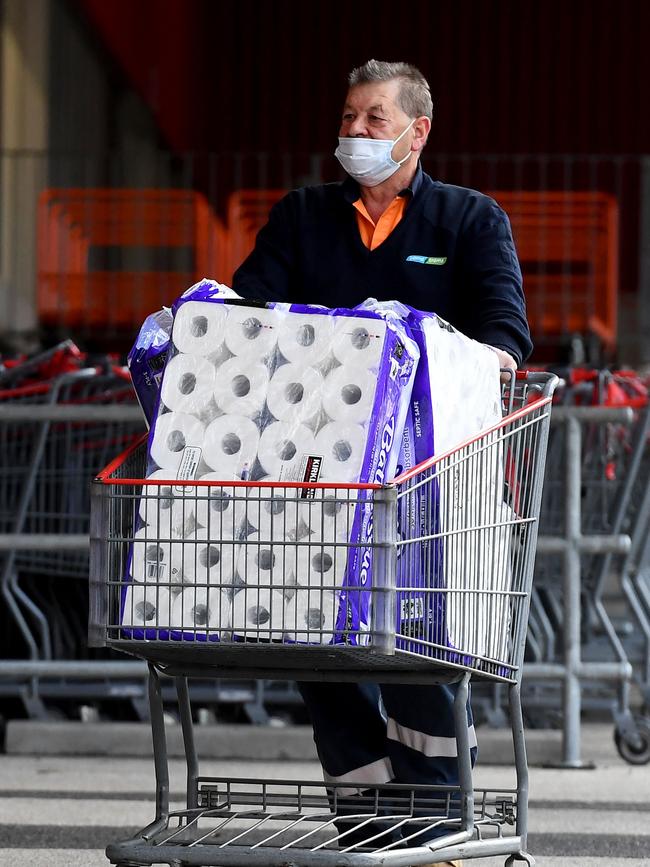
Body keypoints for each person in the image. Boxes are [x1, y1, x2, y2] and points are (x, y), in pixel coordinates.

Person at [233, 59, 532, 867]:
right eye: (348, 117)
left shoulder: (468, 222)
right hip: (318, 488)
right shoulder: (302, 218)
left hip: (429, 491)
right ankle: (374, 834)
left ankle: (433, 831)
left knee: (417, 659)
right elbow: (245, 320)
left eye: (373, 119)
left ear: (417, 131)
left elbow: (505, 337)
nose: (355, 133)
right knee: (323, 659)